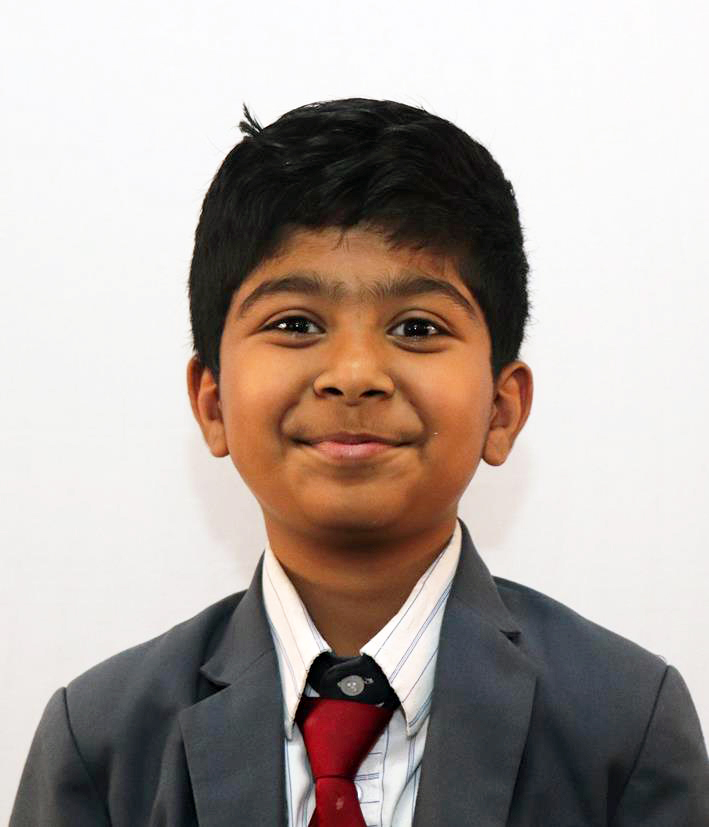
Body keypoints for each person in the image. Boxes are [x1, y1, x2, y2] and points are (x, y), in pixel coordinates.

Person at [11, 97, 708, 826]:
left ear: (501, 411)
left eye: (417, 327)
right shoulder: (102, 742)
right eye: (295, 323)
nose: (353, 374)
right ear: (212, 403)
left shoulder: (624, 725)